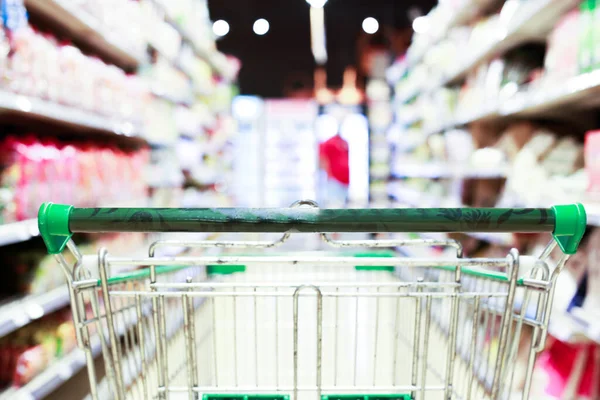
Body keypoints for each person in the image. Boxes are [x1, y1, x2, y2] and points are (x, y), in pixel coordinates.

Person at [319, 130, 349, 208]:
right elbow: (323, 159)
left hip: (345, 179)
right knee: (334, 204)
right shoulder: (328, 143)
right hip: (334, 179)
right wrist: (328, 174)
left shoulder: (344, 142)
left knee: (342, 205)